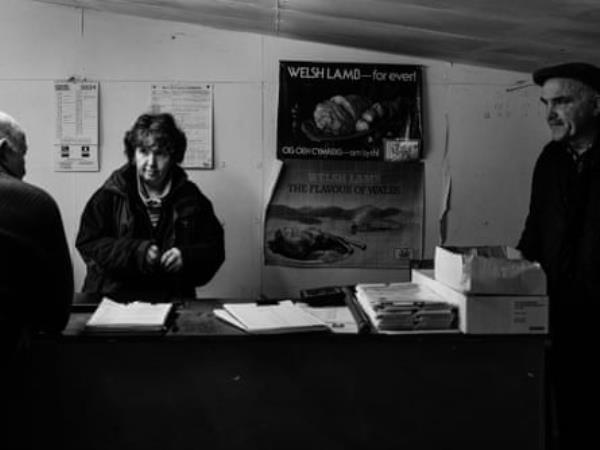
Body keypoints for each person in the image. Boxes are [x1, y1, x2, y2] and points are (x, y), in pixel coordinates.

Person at [517, 62, 600, 449]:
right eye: (545, 103)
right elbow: (534, 233)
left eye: (562, 101)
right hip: (560, 313)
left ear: (596, 105)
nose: (550, 113)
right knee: (565, 418)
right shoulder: (550, 159)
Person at [76, 112, 224, 301]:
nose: (151, 163)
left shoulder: (192, 197)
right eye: (144, 152)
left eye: (160, 153)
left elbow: (215, 250)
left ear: (173, 156)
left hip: (172, 303)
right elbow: (88, 244)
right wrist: (136, 252)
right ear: (133, 154)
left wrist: (187, 257)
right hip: (115, 304)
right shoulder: (110, 194)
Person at [1, 111, 74, 449]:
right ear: (4, 150)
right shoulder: (34, 203)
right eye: (23, 153)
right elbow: (57, 311)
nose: (25, 167)